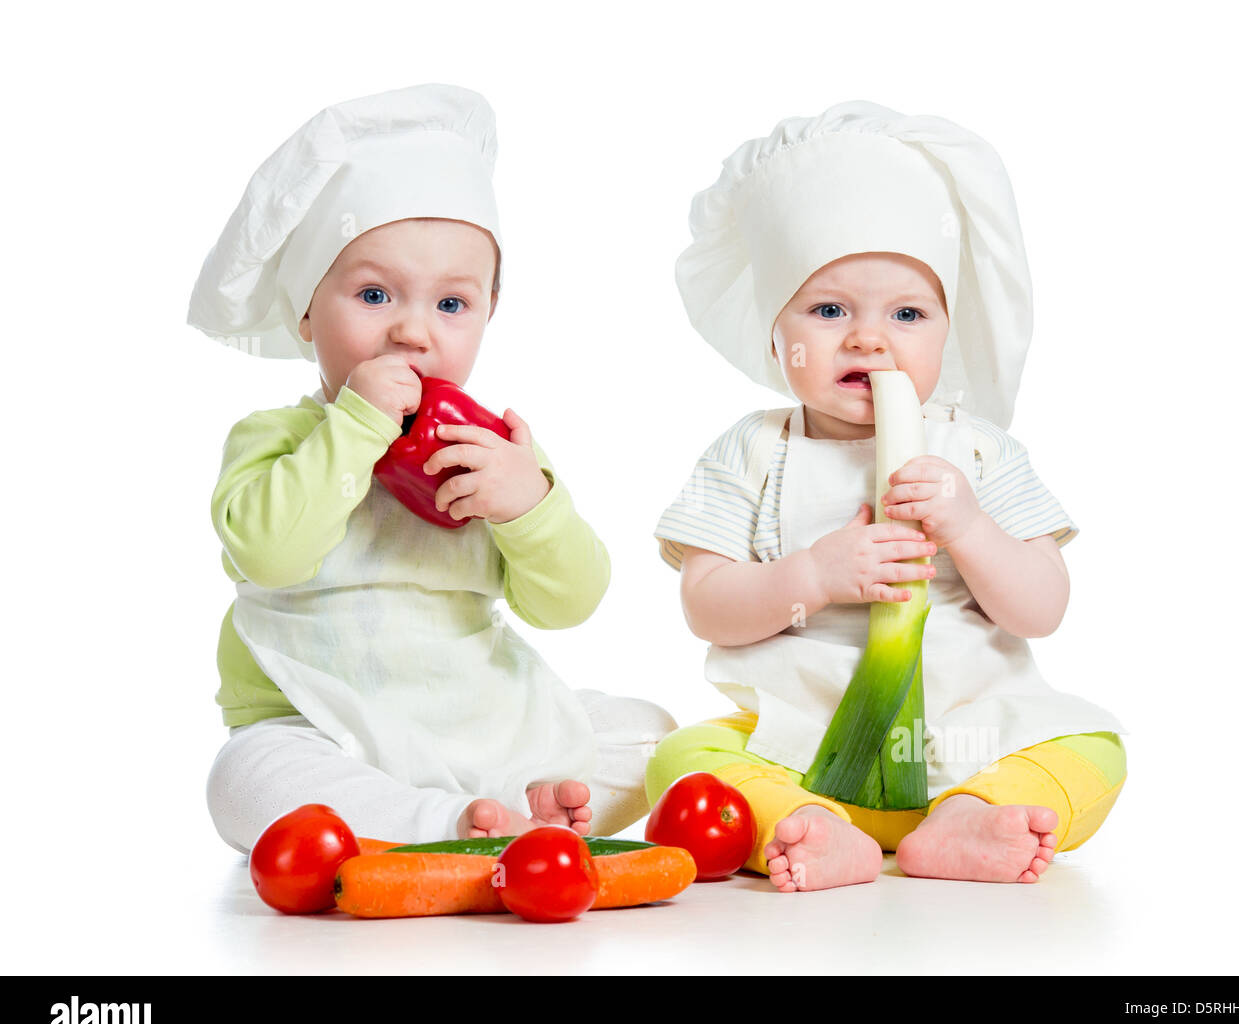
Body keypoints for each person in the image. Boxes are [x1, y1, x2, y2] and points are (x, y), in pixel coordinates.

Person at [650, 101, 1127, 888]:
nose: (868, 339)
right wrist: (813, 576)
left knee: (1095, 749)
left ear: (949, 330)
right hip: (797, 745)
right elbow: (707, 606)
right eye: (829, 310)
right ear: (777, 334)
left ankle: (967, 822)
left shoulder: (978, 451)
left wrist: (969, 528)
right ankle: (813, 831)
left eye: (907, 313)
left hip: (970, 744)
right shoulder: (752, 449)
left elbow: (1041, 608)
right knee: (683, 758)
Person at [190, 84, 674, 854]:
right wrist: (355, 426)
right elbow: (269, 554)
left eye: (452, 305)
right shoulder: (275, 437)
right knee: (243, 780)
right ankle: (451, 824)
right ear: (307, 311)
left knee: (651, 736)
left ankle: (505, 807)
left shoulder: (496, 447)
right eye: (375, 294)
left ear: (488, 312)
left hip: (471, 717)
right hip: (317, 726)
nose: (413, 331)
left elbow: (570, 603)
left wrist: (527, 505)